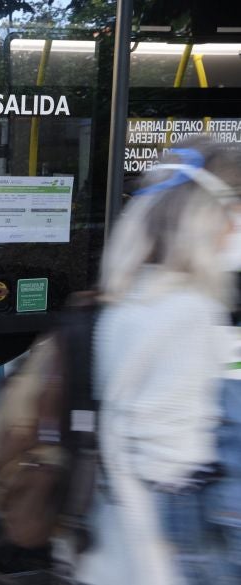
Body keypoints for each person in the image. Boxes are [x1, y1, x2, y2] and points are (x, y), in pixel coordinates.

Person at [74, 141, 241, 585]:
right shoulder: (190, 309)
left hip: (122, 535)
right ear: (208, 215)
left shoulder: (131, 297)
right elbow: (172, 461)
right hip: (179, 545)